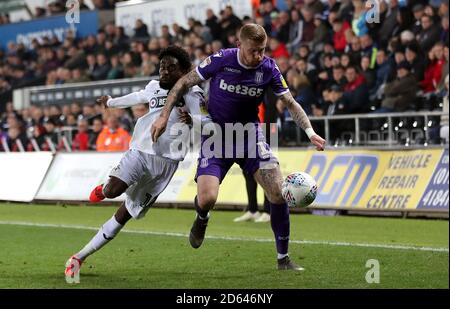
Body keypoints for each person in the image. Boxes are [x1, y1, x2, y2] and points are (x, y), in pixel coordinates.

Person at [151, 24, 326, 271]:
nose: (258, 56)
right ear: (239, 45)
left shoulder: (268, 67)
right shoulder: (221, 60)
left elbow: (289, 102)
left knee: (277, 193)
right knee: (207, 198)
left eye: (262, 50)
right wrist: (163, 116)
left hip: (249, 137)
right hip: (216, 137)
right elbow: (182, 84)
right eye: (253, 50)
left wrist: (310, 131)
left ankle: (283, 258)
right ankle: (202, 217)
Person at [64, 46, 207, 283]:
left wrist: (193, 120)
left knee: (125, 215)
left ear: (183, 70)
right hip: (140, 151)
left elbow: (207, 122)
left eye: (171, 67)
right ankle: (104, 188)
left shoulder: (193, 94)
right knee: (111, 192)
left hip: (165, 165)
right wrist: (110, 102)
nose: (164, 71)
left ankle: (79, 257)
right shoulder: (153, 87)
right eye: (162, 66)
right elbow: (137, 97)